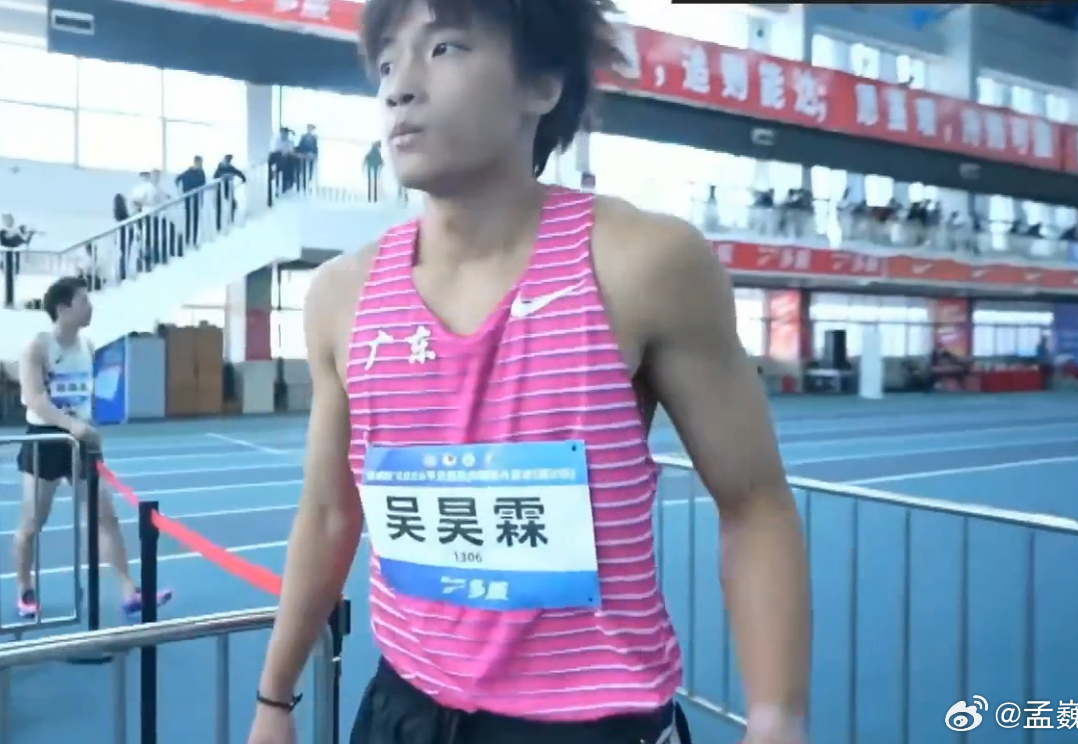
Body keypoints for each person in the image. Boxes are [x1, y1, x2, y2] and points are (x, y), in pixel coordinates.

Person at [246, 1, 810, 743]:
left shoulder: (639, 265)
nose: (398, 87)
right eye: (386, 63)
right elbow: (328, 513)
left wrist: (775, 718)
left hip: (591, 727)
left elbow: (754, 502)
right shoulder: (341, 297)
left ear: (542, 85)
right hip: (400, 714)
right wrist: (274, 700)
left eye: (444, 49)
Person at [14, 276, 173, 620]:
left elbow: (82, 394)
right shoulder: (37, 347)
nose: (91, 307)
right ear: (63, 308)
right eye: (84, 301)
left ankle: (129, 590)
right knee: (33, 522)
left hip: (82, 441)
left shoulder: (87, 345)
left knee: (106, 516)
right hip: (47, 440)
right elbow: (36, 399)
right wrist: (72, 425)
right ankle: (24, 588)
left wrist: (86, 426)